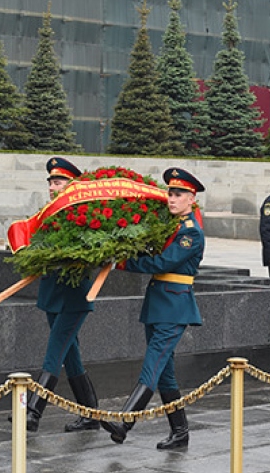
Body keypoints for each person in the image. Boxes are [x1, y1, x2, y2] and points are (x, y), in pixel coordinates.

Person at [102, 168, 206, 449]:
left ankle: (125, 422)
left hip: (174, 307)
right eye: (170, 193)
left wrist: (122, 263)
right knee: (165, 373)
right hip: (159, 303)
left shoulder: (190, 234)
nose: (172, 199)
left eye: (179, 194)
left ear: (191, 198)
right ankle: (180, 432)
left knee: (153, 365)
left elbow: (162, 263)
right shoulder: (169, 227)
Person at [22, 157, 101, 433]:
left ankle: (33, 411)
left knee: (55, 351)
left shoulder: (82, 215)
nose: (53, 187)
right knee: (71, 355)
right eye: (51, 182)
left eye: (58, 182)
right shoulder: (47, 213)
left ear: (72, 185)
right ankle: (91, 413)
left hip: (74, 295)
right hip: (52, 292)